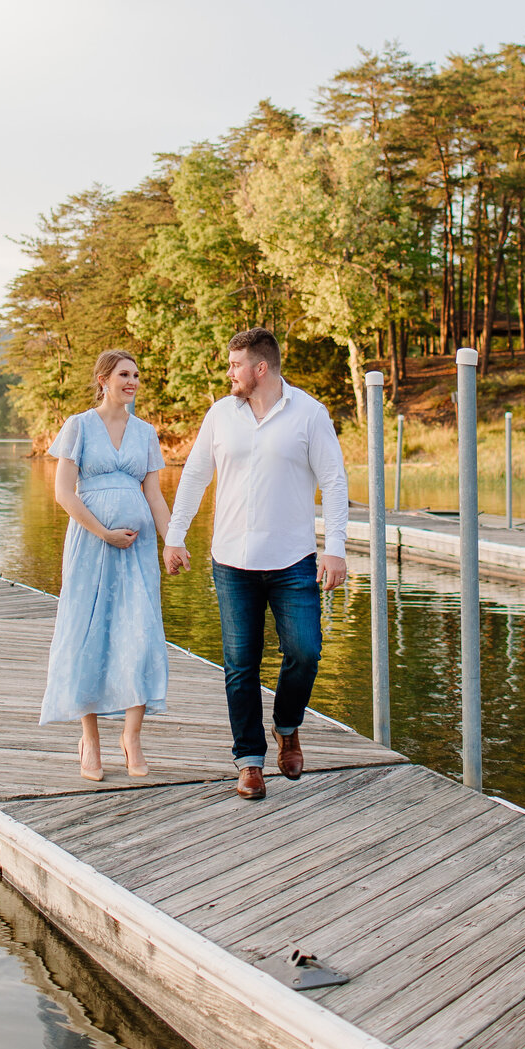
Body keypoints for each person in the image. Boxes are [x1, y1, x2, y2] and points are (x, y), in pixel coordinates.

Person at [163, 327, 348, 800]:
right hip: (231, 560)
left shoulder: (309, 414)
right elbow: (195, 477)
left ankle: (287, 727)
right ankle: (249, 761)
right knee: (240, 665)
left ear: (260, 368)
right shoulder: (220, 415)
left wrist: (336, 547)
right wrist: (175, 537)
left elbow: (334, 480)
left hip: (293, 560)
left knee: (305, 651)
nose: (229, 373)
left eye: (234, 365)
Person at [40, 349, 172, 782]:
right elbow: (64, 493)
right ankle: (90, 739)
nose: (132, 381)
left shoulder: (146, 432)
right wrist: (104, 532)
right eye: (123, 374)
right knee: (89, 633)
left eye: (136, 374)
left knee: (139, 633)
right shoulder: (78, 426)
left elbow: (153, 495)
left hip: (137, 552)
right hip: (91, 546)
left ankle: (131, 737)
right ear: (103, 379)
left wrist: (173, 540)